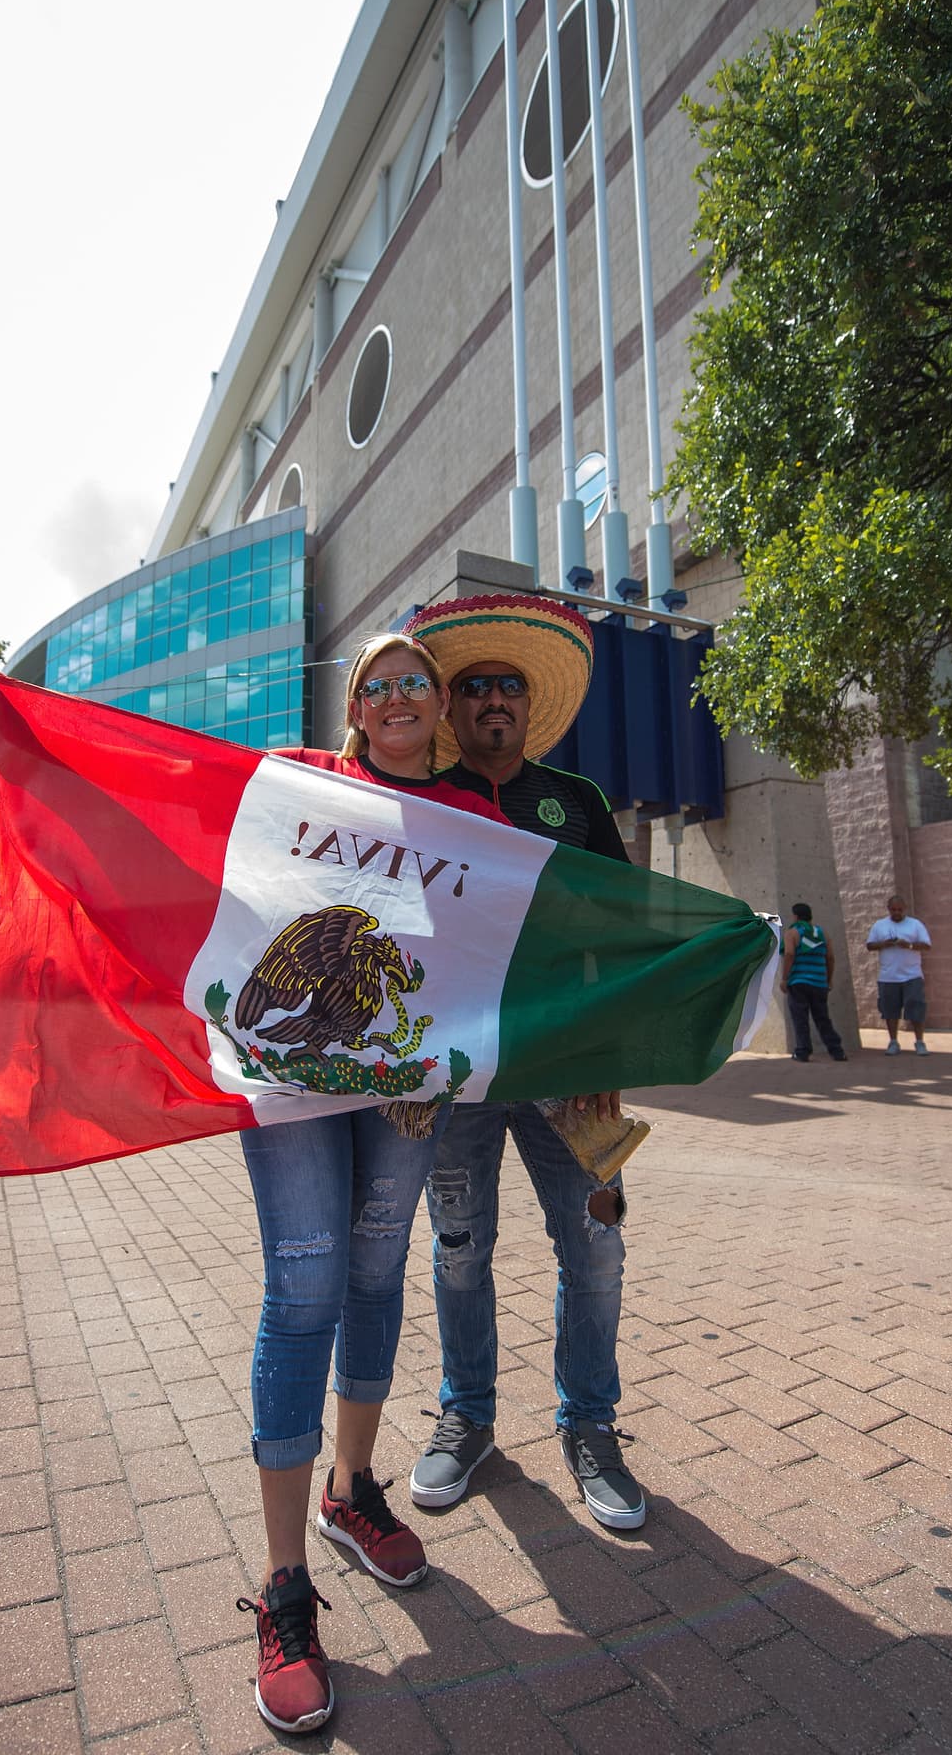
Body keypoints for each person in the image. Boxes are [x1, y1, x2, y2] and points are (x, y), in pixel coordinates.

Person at [235, 633, 502, 1736]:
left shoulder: (475, 816)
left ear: (438, 706)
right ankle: (286, 1583)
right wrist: (35, 733)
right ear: (355, 706)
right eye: (375, 684)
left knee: (379, 1268)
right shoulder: (302, 778)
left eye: (413, 683)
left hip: (407, 1085)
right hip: (294, 1081)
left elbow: (502, 944)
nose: (395, 697)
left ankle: (353, 1493)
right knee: (304, 1292)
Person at [401, 594, 648, 1533]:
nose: (494, 699)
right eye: (475, 688)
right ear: (451, 710)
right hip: (452, 1078)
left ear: (524, 706)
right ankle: (467, 1417)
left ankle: (590, 1425)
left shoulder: (576, 804)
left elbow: (623, 933)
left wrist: (611, 1049)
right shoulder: (412, 806)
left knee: (598, 1243)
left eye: (509, 686)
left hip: (569, 1071)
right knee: (460, 1253)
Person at [779, 903, 846, 1061]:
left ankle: (802, 1051)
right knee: (822, 1018)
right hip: (819, 982)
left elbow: (789, 954)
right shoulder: (822, 934)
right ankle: (837, 1051)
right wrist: (828, 979)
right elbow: (830, 958)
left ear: (795, 916)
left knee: (800, 1018)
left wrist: (784, 978)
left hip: (798, 982)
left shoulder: (792, 933)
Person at [867, 893, 932, 1054]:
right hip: (888, 976)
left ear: (905, 909)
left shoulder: (915, 925)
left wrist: (909, 945)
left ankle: (919, 1042)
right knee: (889, 1010)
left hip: (912, 975)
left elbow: (926, 945)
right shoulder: (879, 925)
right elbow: (870, 945)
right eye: (893, 910)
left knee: (917, 1007)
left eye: (900, 910)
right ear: (888, 909)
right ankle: (893, 1042)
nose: (897, 913)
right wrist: (885, 944)